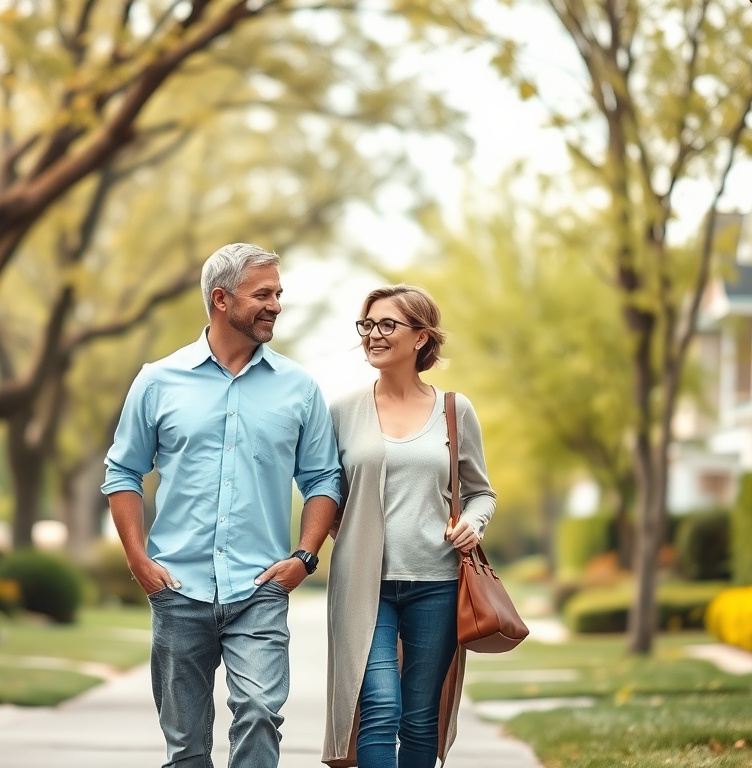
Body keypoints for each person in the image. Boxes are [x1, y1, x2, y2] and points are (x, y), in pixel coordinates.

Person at [102, 242, 342, 768]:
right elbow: (122, 470)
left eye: (278, 293)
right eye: (263, 294)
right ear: (220, 299)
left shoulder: (299, 389)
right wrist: (139, 561)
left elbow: (323, 478)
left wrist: (302, 559)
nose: (276, 304)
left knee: (259, 711)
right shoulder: (158, 380)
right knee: (186, 747)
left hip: (260, 587)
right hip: (177, 586)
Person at [322, 284, 496, 768]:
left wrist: (473, 523)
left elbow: (481, 491)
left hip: (437, 585)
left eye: (386, 325)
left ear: (421, 338)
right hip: (364, 586)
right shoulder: (341, 411)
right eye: (367, 325)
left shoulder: (454, 411)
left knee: (420, 718)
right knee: (379, 706)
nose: (372, 335)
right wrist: (353, 534)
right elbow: (325, 493)